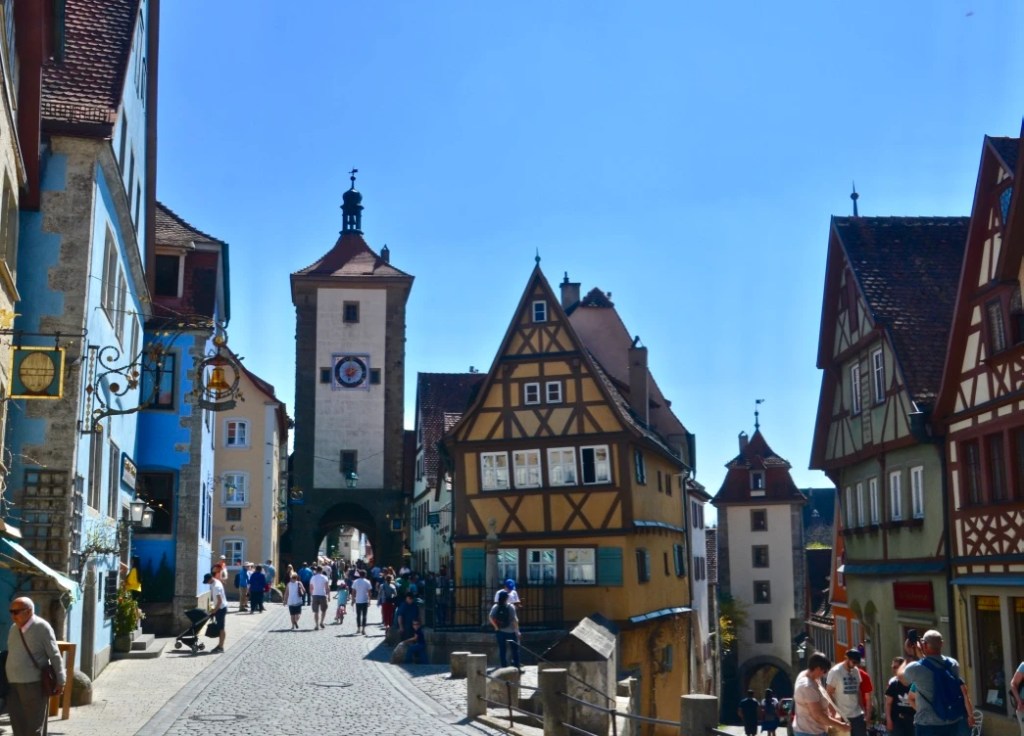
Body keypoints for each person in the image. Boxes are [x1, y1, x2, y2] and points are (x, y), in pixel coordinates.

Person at [5, 596, 66, 736]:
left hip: (33, 683)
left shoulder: (42, 627)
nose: (13, 616)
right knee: (18, 725)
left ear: (28, 611)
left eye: (16, 612)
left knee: (34, 727)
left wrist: (61, 680)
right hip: (12, 684)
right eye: (11, 612)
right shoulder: (14, 628)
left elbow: (54, 655)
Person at [898, 630, 976, 736]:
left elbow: (901, 677)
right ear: (942, 644)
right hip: (951, 721)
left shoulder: (915, 668)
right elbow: (933, 666)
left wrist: (910, 654)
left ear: (925, 645)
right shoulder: (953, 664)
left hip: (928, 724)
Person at [793, 652, 851, 736]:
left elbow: (823, 697)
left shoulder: (811, 677)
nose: (824, 674)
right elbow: (818, 715)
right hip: (810, 732)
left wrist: (831, 710)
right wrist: (841, 726)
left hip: (814, 731)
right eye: (824, 671)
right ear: (817, 668)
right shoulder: (807, 686)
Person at [826, 649, 865, 736]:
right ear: (847, 658)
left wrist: (862, 709)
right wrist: (834, 713)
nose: (855, 665)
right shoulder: (835, 672)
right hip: (843, 716)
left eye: (857, 663)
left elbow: (858, 691)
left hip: (857, 714)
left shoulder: (856, 671)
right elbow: (828, 693)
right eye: (854, 662)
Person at [488, 590, 521, 670]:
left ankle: (504, 667)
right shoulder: (511, 607)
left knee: (502, 650)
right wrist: (517, 631)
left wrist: (496, 627)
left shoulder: (495, 606)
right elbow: (515, 620)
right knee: (514, 650)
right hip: (511, 632)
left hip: (500, 631)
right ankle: (516, 667)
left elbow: (490, 617)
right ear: (507, 598)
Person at [886, 657, 915, 736]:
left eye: (896, 667)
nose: (893, 670)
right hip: (898, 720)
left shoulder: (914, 684)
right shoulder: (893, 683)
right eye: (892, 667)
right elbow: (888, 703)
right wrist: (888, 720)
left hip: (913, 720)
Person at [203, 572, 227, 653]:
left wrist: (214, 611)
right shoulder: (215, 582)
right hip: (220, 608)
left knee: (221, 628)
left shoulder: (217, 586)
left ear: (210, 579)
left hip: (221, 609)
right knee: (220, 627)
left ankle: (221, 647)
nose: (207, 583)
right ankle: (220, 645)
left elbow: (219, 601)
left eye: (207, 581)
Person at [308, 565, 331, 629]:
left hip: (315, 595)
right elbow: (327, 588)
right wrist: (329, 596)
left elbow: (311, 588)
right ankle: (321, 622)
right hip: (322, 595)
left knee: (316, 611)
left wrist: (311, 595)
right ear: (322, 570)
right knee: (324, 610)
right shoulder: (325, 577)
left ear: (316, 570)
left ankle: (316, 625)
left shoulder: (312, 578)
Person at [351, 570, 373, 634]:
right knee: (364, 615)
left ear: (359, 575)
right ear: (365, 575)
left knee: (358, 615)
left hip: (358, 600)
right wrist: (369, 601)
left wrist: (353, 600)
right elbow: (369, 592)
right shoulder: (367, 582)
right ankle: (363, 629)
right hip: (365, 600)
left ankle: (358, 629)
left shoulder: (355, 581)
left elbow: (353, 592)